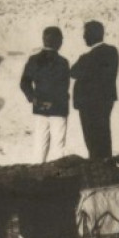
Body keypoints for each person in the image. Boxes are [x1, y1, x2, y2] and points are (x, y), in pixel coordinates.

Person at [20, 26, 71, 164]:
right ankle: (57, 179)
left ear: (44, 40)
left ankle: (37, 178)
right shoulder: (63, 62)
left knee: (39, 147)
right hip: (58, 109)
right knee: (58, 149)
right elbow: (63, 88)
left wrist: (33, 99)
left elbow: (24, 83)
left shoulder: (33, 59)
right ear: (59, 42)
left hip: (39, 108)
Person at [70, 20, 119, 160]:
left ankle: (97, 165)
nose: (84, 37)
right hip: (106, 100)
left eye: (85, 34)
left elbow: (73, 72)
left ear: (91, 35)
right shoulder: (112, 52)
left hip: (89, 103)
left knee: (92, 139)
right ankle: (106, 163)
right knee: (104, 133)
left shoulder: (87, 58)